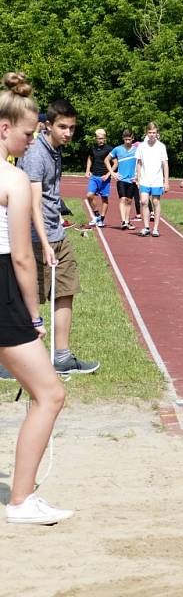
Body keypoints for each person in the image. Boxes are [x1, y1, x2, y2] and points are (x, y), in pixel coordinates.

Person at [0, 71, 71, 525]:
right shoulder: (13, 179)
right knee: (49, 393)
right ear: (5, 129)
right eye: (28, 134)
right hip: (3, 288)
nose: (31, 142)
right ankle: (21, 499)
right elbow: (24, 259)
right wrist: (33, 313)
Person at [14, 98, 100, 377]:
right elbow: (33, 202)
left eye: (72, 128)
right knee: (26, 298)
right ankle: (13, 360)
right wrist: (45, 240)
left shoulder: (55, 150)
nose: (68, 133)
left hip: (56, 234)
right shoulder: (36, 154)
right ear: (47, 125)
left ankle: (61, 357)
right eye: (62, 127)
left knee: (65, 291)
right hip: (37, 238)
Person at [135, 122, 169, 237]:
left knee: (155, 202)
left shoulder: (161, 146)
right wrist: (138, 178)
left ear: (157, 133)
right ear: (146, 133)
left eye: (154, 133)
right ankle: (146, 227)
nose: (152, 135)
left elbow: (165, 165)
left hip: (157, 180)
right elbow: (139, 163)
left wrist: (166, 181)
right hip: (144, 179)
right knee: (144, 201)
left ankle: (155, 228)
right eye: (150, 132)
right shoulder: (141, 146)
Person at [105, 129, 139, 230]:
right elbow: (106, 160)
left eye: (129, 139)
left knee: (129, 201)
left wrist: (138, 176)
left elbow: (141, 163)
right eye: (125, 139)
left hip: (132, 180)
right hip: (121, 179)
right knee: (122, 199)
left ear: (132, 138)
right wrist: (112, 173)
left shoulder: (137, 150)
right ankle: (123, 221)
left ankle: (128, 221)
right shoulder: (117, 149)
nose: (127, 141)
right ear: (123, 139)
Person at [84, 128, 112, 227]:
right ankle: (96, 215)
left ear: (105, 139)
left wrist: (108, 174)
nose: (100, 140)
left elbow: (115, 163)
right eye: (98, 138)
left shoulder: (109, 149)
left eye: (102, 138)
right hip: (94, 176)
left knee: (104, 199)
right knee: (89, 195)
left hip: (104, 178)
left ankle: (102, 219)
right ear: (96, 139)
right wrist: (88, 170)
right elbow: (90, 158)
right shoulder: (93, 148)